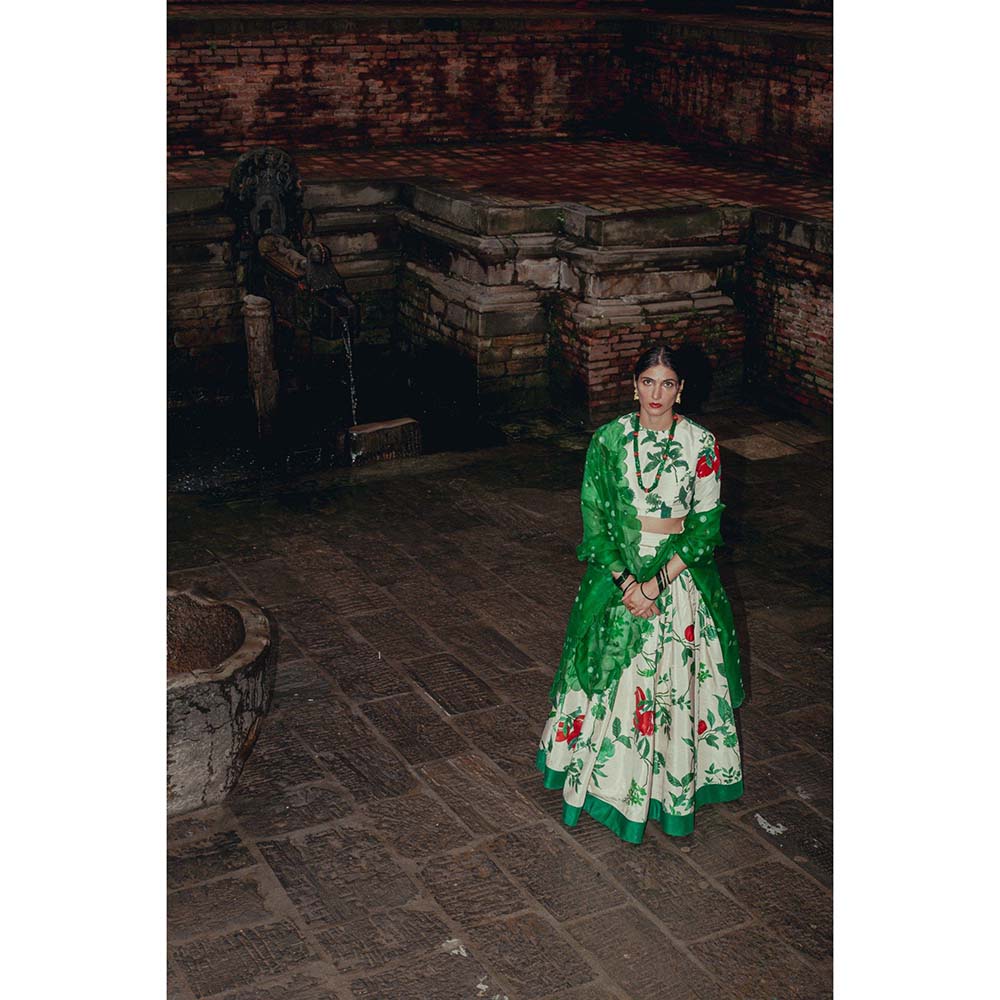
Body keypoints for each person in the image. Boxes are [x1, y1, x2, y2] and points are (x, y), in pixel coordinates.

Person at [536, 343, 744, 843]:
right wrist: (627, 581)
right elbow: (594, 518)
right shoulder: (608, 440)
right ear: (634, 385)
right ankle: (608, 784)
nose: (656, 393)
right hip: (618, 576)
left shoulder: (701, 443)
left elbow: (706, 528)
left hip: (677, 577)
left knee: (669, 686)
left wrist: (655, 583)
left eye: (667, 384)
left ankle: (666, 787)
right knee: (614, 678)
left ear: (680, 390)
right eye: (648, 382)